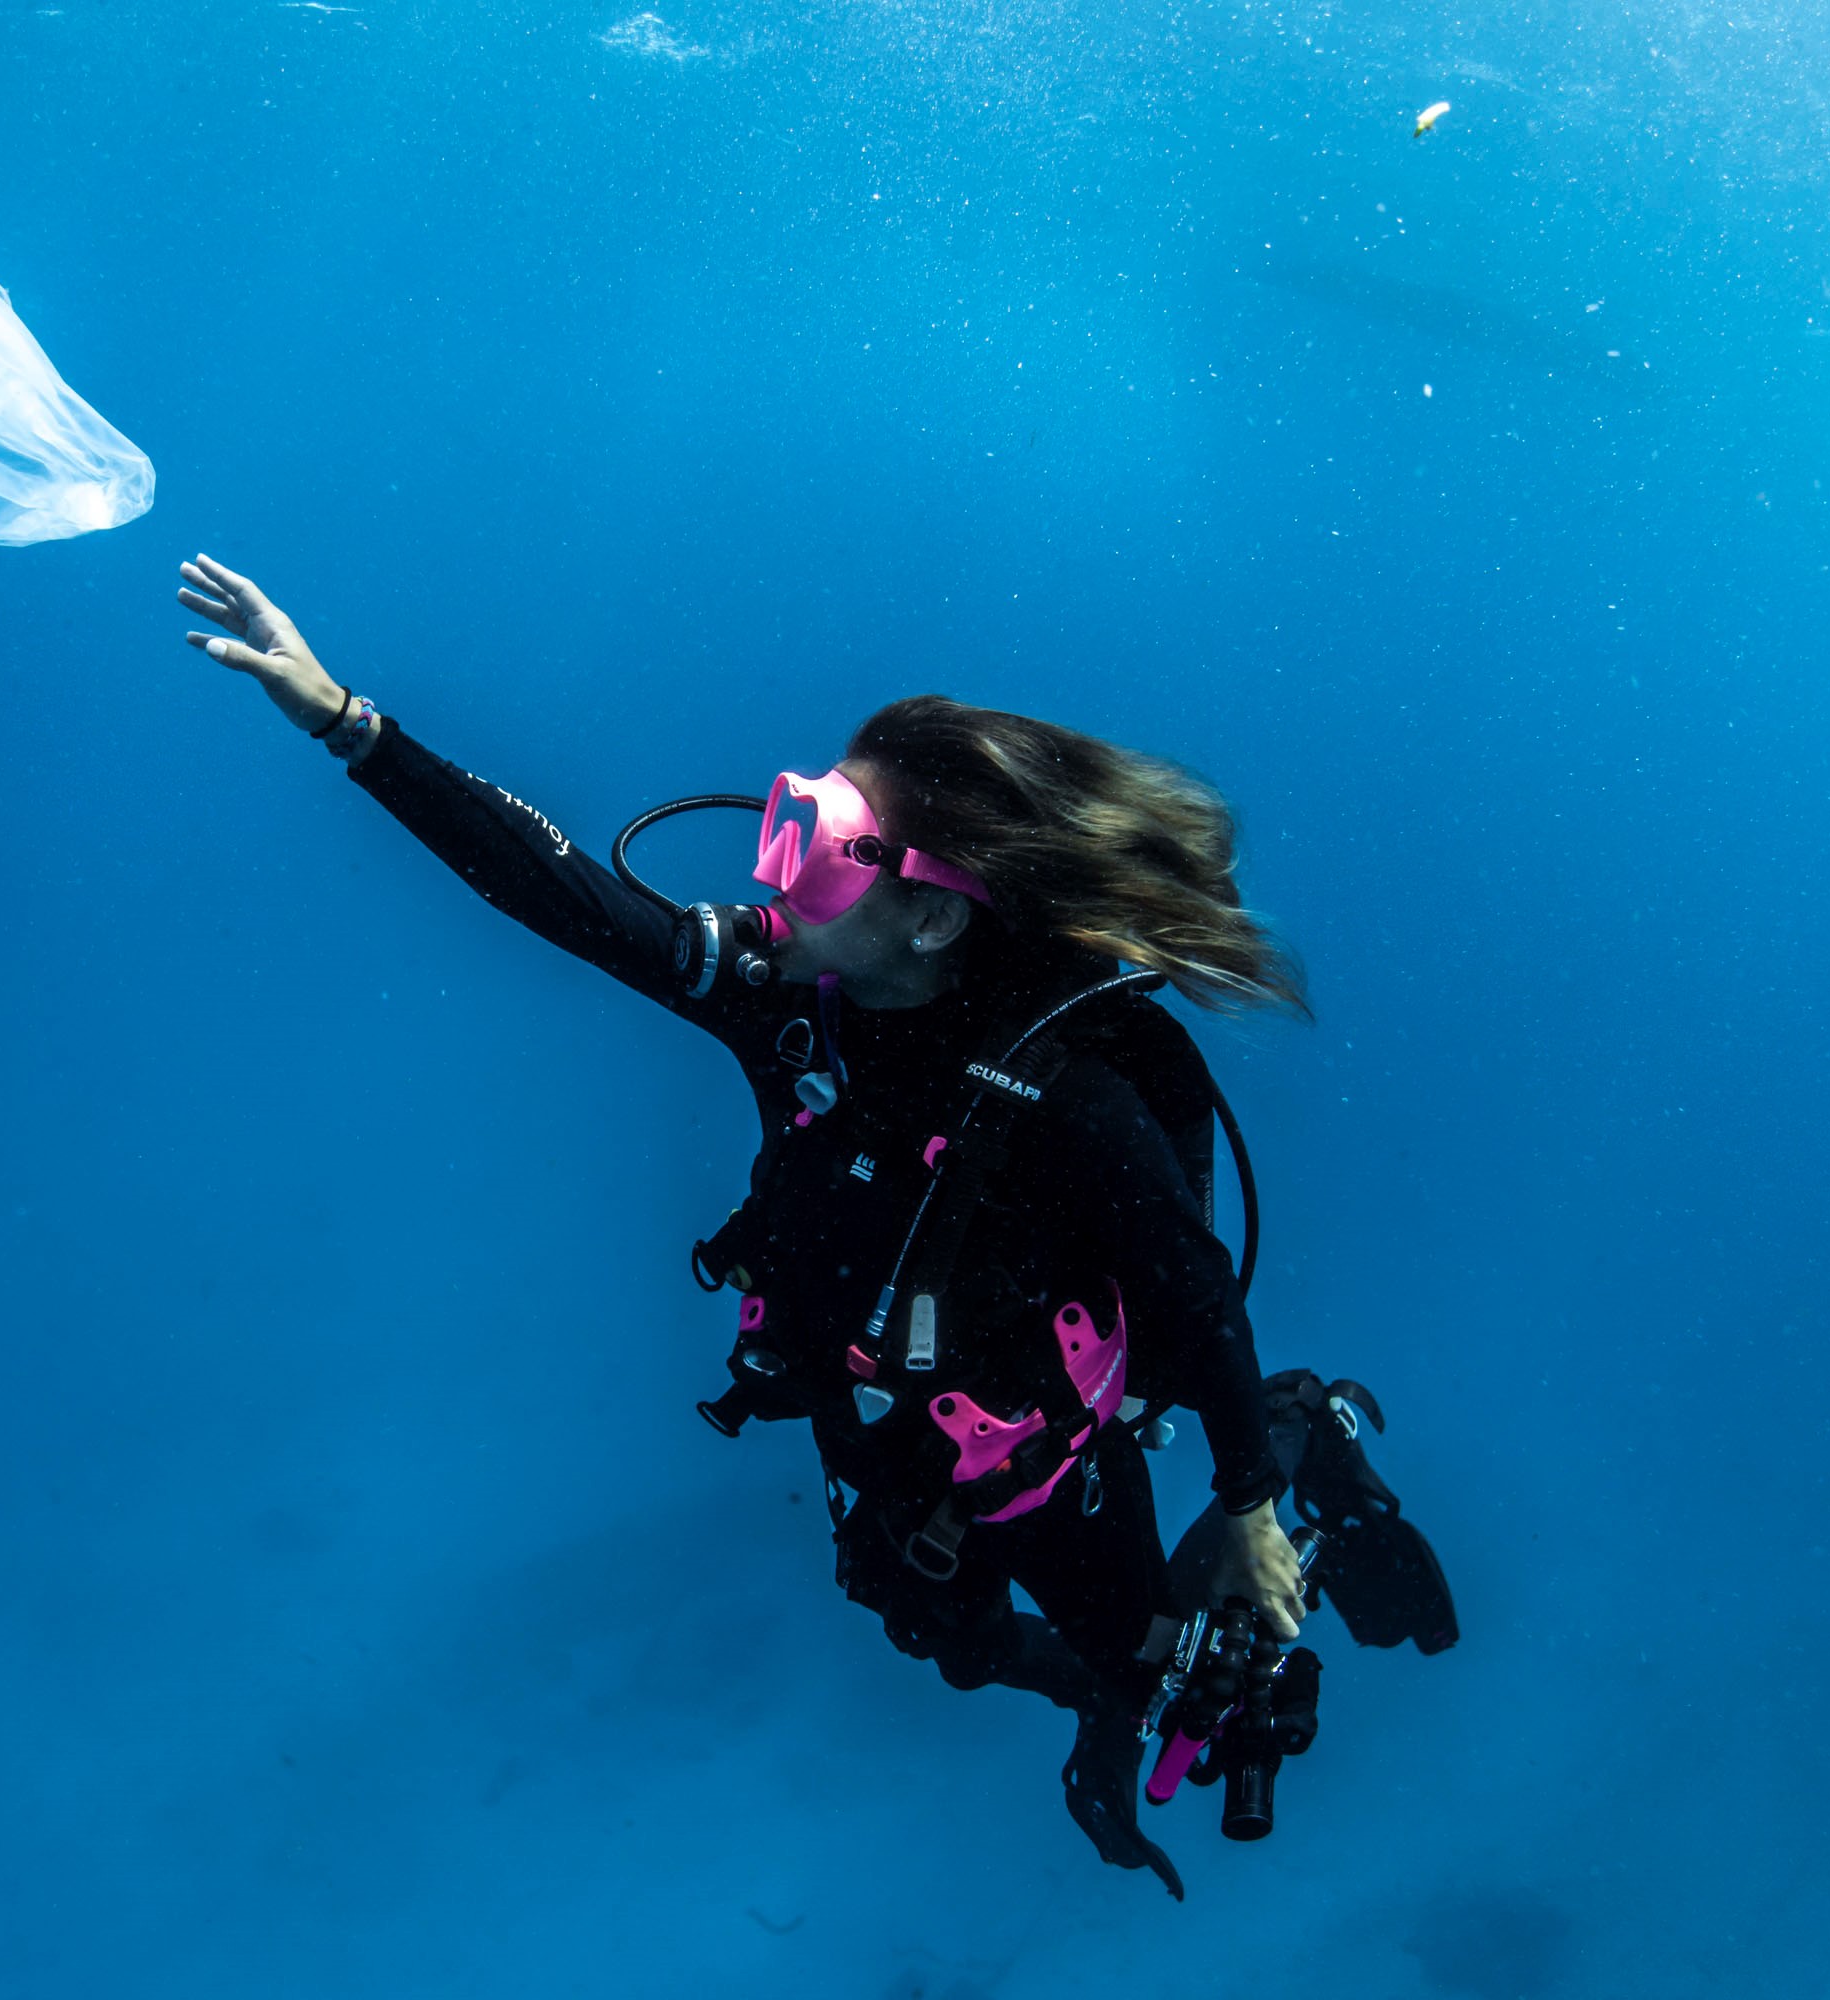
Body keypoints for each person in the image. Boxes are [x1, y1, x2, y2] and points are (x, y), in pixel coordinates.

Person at [176, 552, 1449, 1895]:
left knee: (1163, 1670)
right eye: (789, 819)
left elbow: (1192, 1289)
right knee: (941, 1637)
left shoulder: (1068, 1101)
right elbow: (567, 902)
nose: (770, 872)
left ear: (930, 914)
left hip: (1034, 1449)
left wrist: (1251, 1498)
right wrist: (342, 719)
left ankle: (1318, 1441)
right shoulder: (792, 1004)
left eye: (819, 856)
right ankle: (1087, 1678)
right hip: (879, 1418)